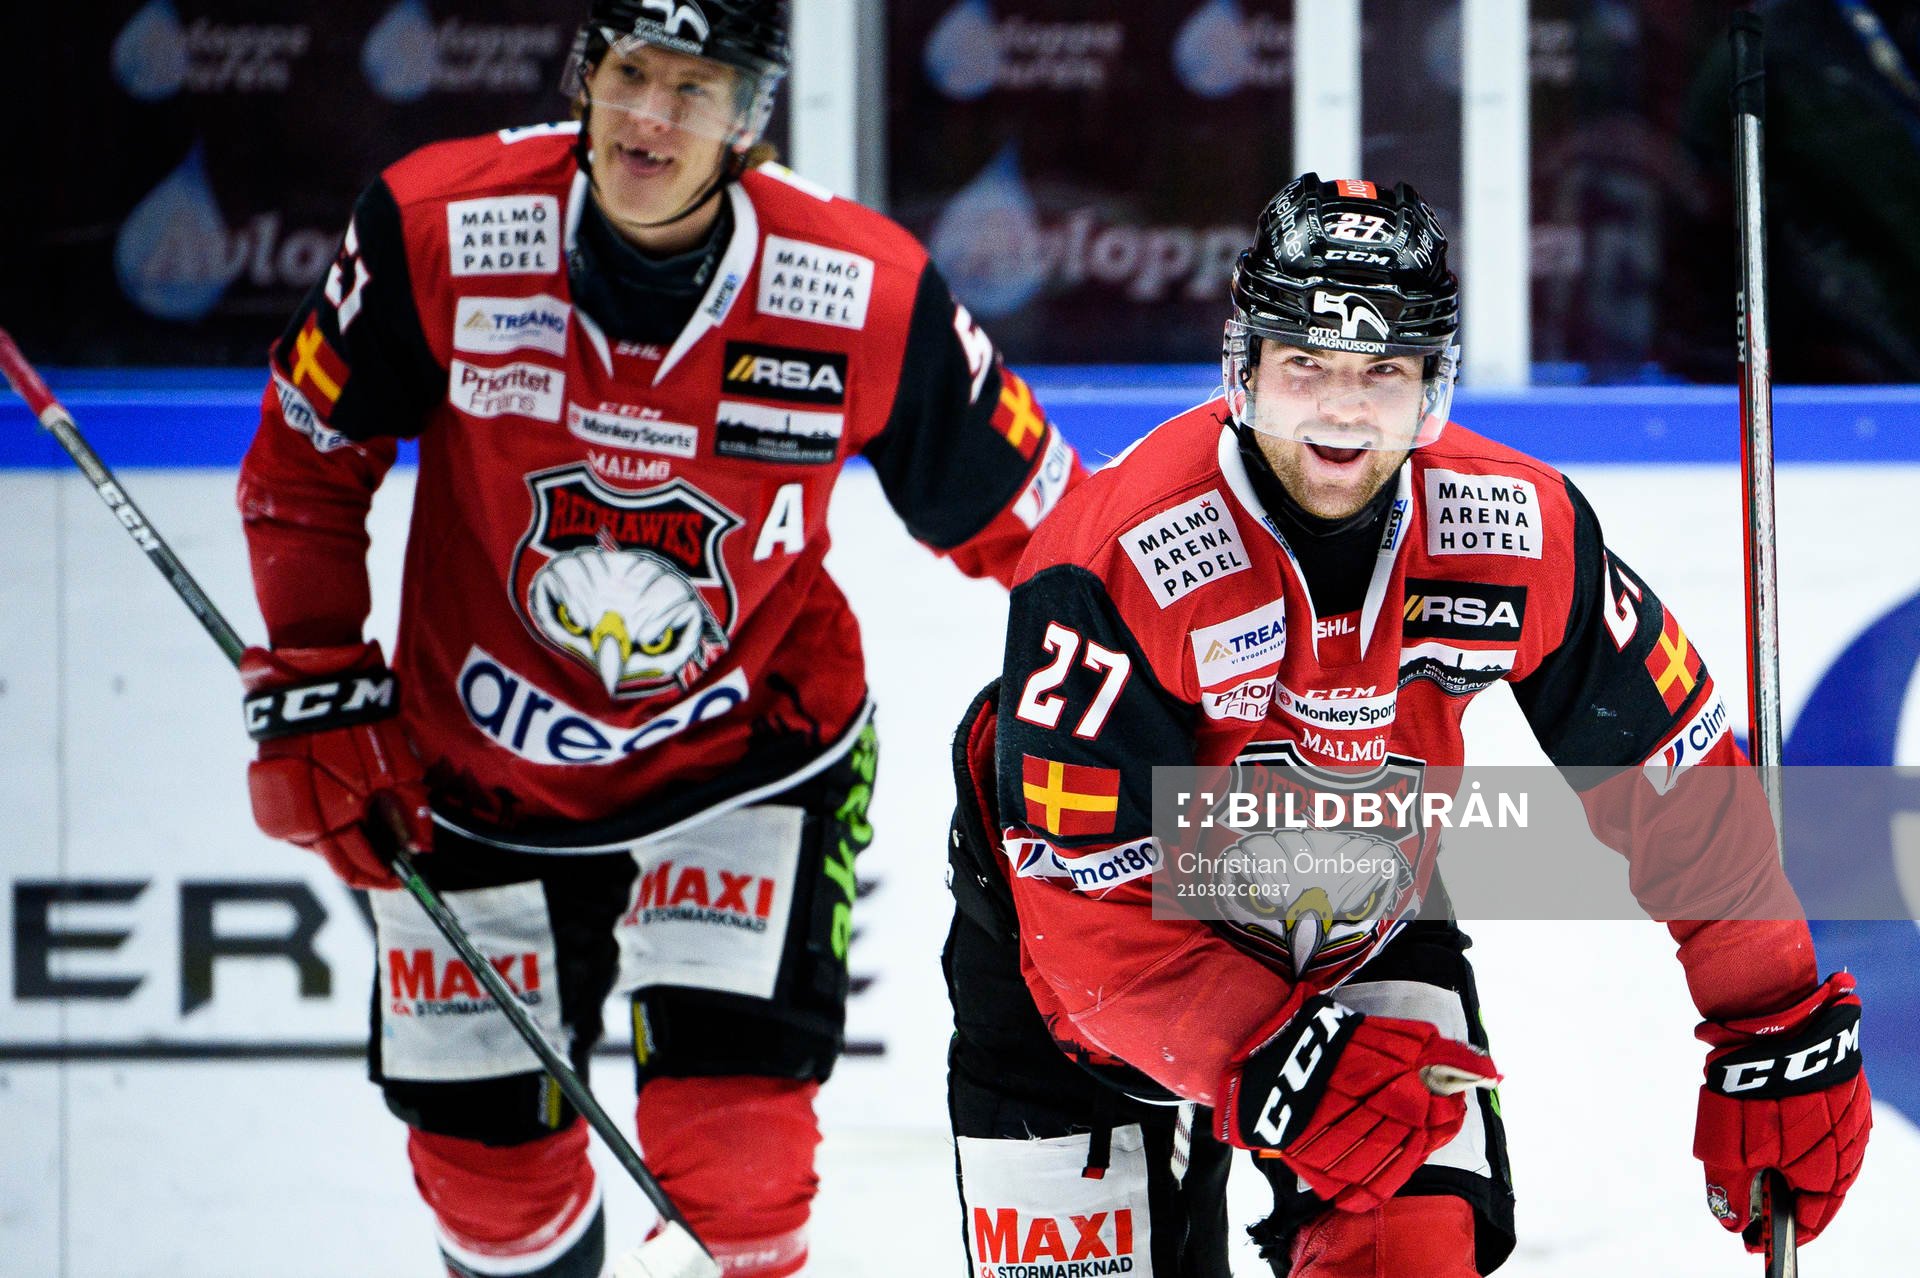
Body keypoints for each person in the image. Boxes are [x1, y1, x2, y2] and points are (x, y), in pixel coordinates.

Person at [233, 2, 1084, 1275]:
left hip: (749, 761)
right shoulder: (438, 228)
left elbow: (1058, 536)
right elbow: (305, 462)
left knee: (738, 1170)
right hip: (473, 774)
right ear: (587, 77)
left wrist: (1186, 672)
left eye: (694, 89)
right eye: (630, 74)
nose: (649, 118)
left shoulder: (858, 287)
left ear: (748, 118)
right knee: (489, 1190)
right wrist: (317, 674)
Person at [942, 174, 1871, 1277]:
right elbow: (1087, 913)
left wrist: (1773, 1019)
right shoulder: (1118, 557)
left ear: (1436, 384)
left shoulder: (1517, 529)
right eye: (1308, 369)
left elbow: (1678, 782)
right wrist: (1274, 1062)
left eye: (1384, 374)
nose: (1342, 412)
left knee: (1410, 1256)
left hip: (1356, 910)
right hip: (1077, 971)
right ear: (1244, 371)